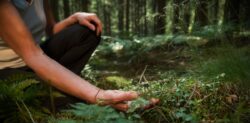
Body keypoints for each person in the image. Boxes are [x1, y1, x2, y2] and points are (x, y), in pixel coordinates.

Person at [0, 0, 158, 111]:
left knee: (87, 31)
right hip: (8, 70)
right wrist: (98, 95)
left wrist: (73, 18)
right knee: (71, 101)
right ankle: (66, 90)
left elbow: (51, 31)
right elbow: (32, 55)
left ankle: (63, 85)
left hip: (37, 56)